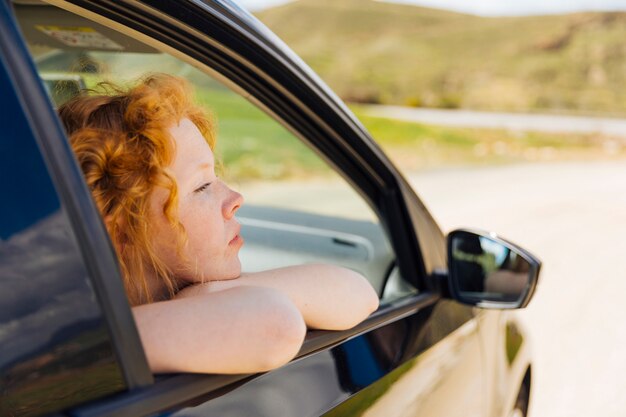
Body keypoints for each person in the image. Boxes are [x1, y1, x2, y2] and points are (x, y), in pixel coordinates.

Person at [58, 74, 379, 374]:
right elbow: (276, 323)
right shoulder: (72, 343)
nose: (236, 197)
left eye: (216, 179)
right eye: (201, 187)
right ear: (119, 231)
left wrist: (212, 291)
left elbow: (359, 292)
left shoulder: (193, 284)